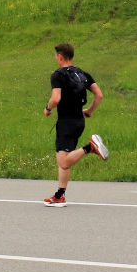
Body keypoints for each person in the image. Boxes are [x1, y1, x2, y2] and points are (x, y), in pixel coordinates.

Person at [43, 42, 108, 206]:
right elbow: (99, 95)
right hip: (79, 121)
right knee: (66, 160)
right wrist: (90, 111)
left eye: (56, 56)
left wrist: (48, 108)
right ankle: (60, 195)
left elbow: (56, 99)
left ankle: (90, 147)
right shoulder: (83, 74)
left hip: (66, 122)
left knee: (63, 162)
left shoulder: (58, 75)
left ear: (60, 57)